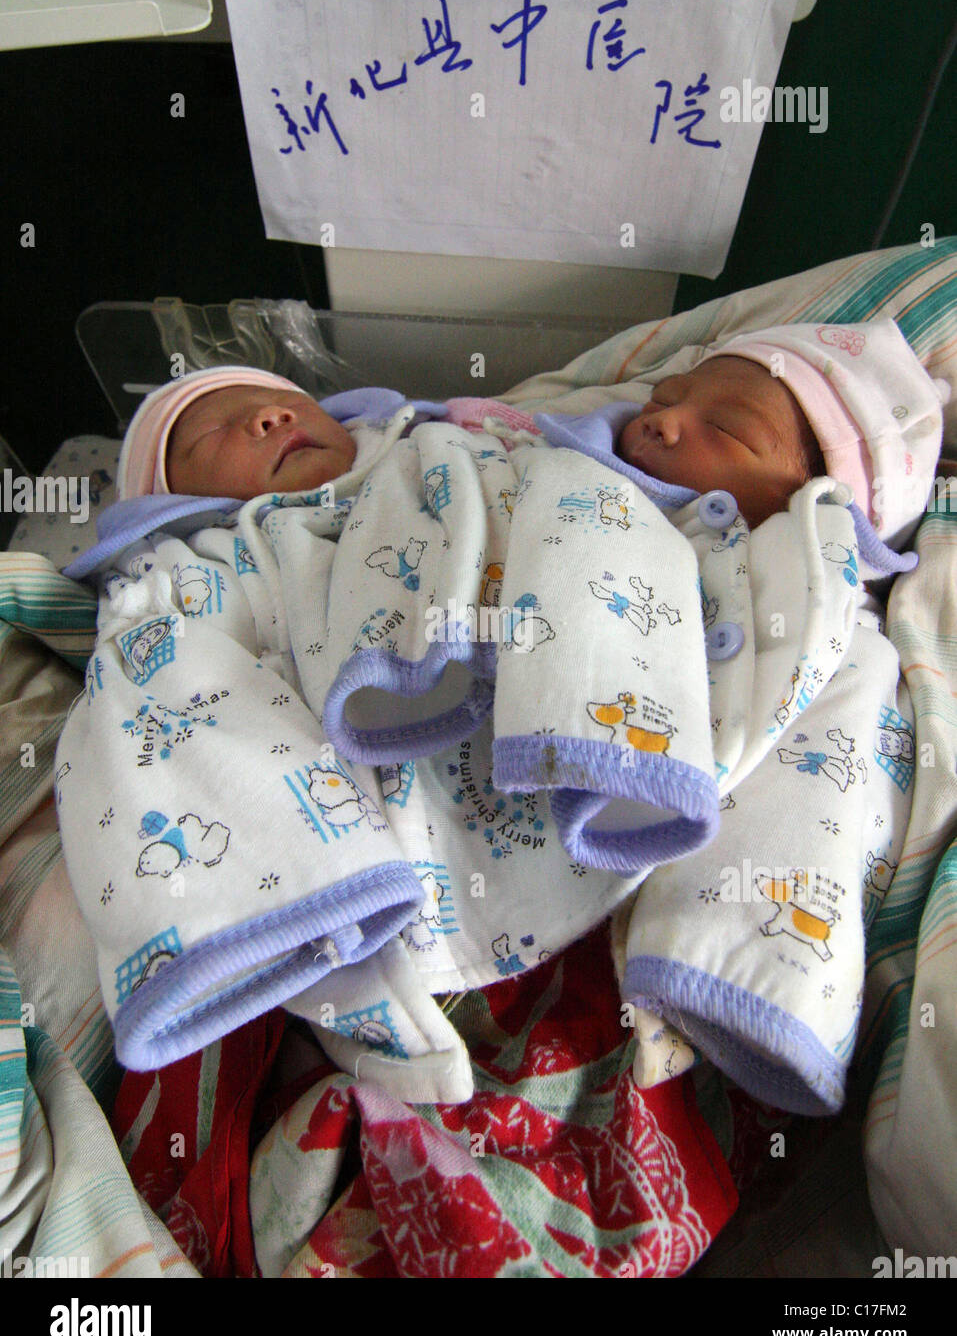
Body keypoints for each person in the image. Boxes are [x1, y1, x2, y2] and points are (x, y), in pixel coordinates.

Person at [56, 317, 946, 1115]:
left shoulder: (470, 449)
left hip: (636, 742)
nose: (266, 419)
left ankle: (737, 968)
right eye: (214, 431)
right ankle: (333, 938)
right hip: (414, 738)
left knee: (837, 706)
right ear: (170, 500)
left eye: (285, 406)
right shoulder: (209, 557)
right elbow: (183, 707)